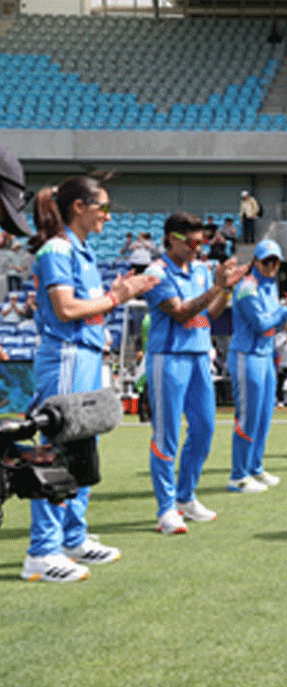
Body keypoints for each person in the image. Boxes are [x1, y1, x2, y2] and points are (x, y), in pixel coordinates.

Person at [21, 171, 159, 582]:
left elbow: (88, 309)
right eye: (103, 207)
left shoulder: (77, 252)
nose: (108, 217)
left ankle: (72, 537)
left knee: (83, 449)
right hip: (65, 357)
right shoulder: (57, 251)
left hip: (84, 355)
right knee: (59, 447)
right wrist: (119, 295)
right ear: (79, 207)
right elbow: (65, 309)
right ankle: (42, 551)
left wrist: (113, 295)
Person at [143, 211, 247, 535]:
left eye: (200, 241)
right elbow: (182, 312)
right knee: (167, 436)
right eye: (190, 241)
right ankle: (166, 510)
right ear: (171, 239)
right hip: (168, 358)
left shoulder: (201, 270)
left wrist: (225, 289)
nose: (196, 248)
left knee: (204, 429)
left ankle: (185, 496)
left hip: (200, 355)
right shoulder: (156, 272)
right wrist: (215, 287)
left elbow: (211, 313)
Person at [228, 239, 287, 492]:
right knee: (247, 416)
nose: (271, 266)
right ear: (255, 262)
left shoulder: (270, 286)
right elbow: (262, 324)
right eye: (266, 261)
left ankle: (255, 467)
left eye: (275, 261)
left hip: (264, 355)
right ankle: (238, 475)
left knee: (263, 416)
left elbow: (273, 319)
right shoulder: (247, 288)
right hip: (246, 355)